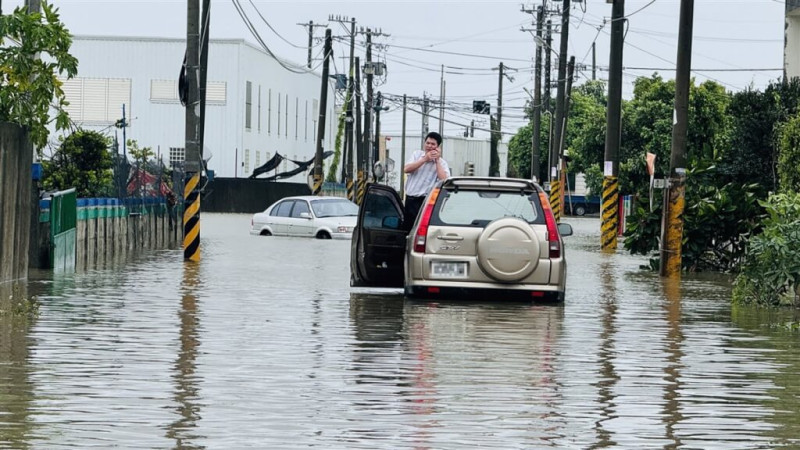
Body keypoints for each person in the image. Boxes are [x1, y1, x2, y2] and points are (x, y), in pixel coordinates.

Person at [403, 131, 450, 230]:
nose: (429, 146)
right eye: (427, 143)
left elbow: (444, 180)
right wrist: (424, 159)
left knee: (422, 229)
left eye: (433, 144)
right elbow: (406, 169)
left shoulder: (442, 163)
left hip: (425, 201)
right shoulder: (417, 155)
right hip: (411, 199)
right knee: (407, 228)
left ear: (438, 147)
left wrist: (437, 160)